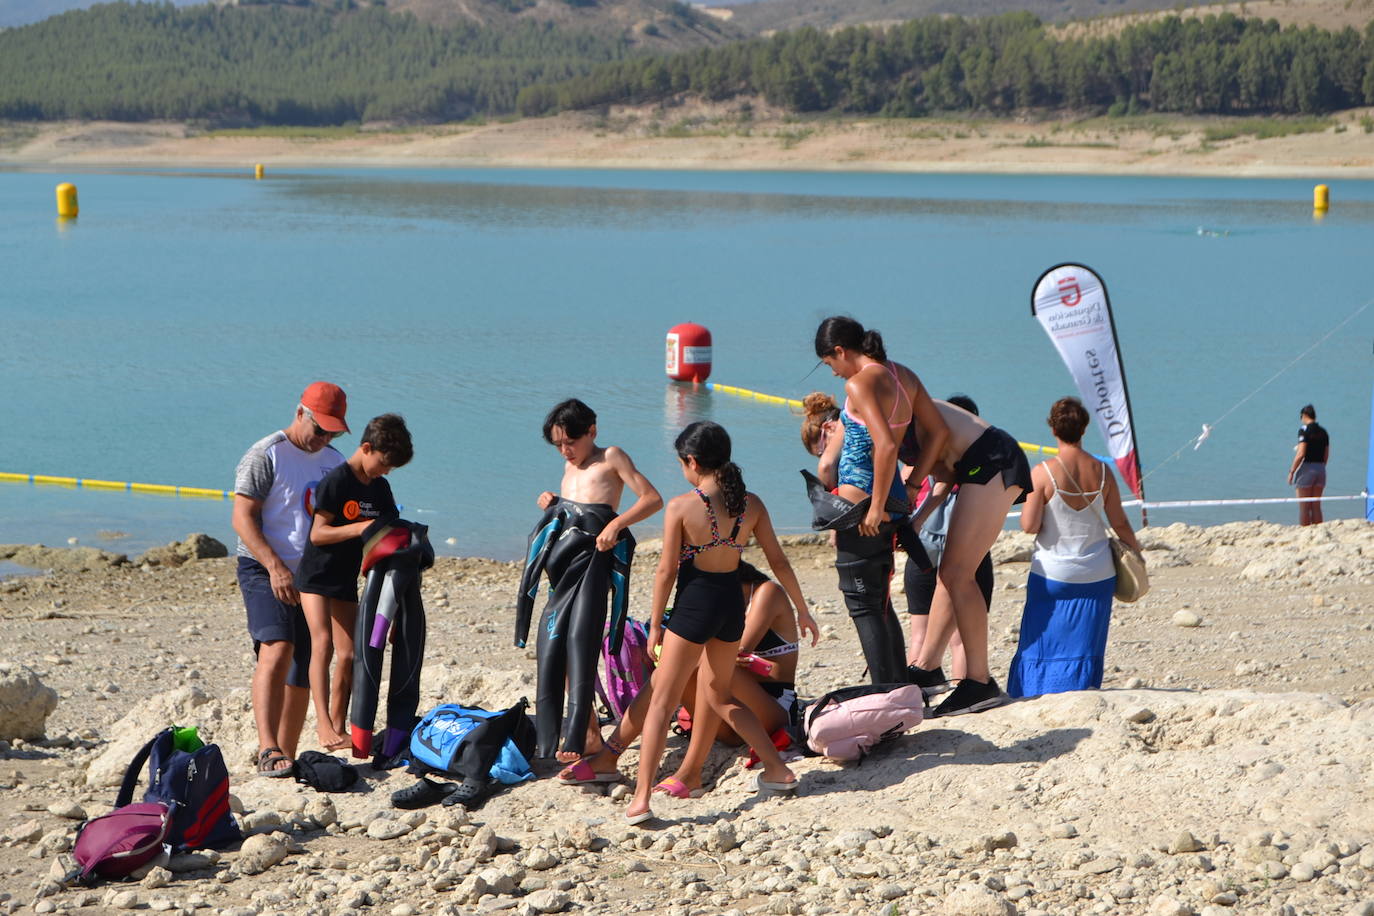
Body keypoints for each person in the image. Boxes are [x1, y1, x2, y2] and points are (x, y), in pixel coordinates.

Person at [625, 421, 814, 825]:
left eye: (682, 463)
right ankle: (777, 770)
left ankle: (641, 797)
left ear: (692, 461)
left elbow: (665, 572)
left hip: (695, 606)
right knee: (721, 697)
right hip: (731, 606)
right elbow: (778, 561)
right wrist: (803, 609)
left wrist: (656, 625)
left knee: (661, 699)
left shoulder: (681, 506)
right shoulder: (752, 503)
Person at [560, 560, 817, 798]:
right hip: (730, 716)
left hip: (775, 707)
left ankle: (686, 770)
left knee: (693, 660)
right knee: (674, 668)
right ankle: (610, 755)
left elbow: (737, 649)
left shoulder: (766, 593)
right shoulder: (723, 601)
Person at [516, 398, 662, 762]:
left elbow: (652, 499)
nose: (566, 451)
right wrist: (550, 500)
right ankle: (585, 731)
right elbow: (573, 505)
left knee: (582, 642)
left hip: (594, 563)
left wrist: (616, 524)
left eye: (571, 442)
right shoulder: (569, 467)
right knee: (553, 644)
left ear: (592, 431)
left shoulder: (611, 456)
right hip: (562, 569)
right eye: (559, 445)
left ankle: (587, 732)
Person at [809, 317, 949, 686]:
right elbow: (939, 433)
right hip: (896, 503)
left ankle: (886, 695)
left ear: (840, 351)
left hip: (861, 502)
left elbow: (884, 445)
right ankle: (899, 688)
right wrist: (915, 482)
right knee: (881, 601)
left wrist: (874, 506)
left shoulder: (859, 383)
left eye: (830, 364)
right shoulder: (903, 376)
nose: (836, 374)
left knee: (863, 605)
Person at [232, 382, 349, 777]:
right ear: (301, 413)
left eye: (332, 432)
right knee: (277, 648)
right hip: (264, 566)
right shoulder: (266, 454)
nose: (323, 439)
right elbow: (243, 518)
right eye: (320, 429)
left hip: (313, 576)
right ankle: (268, 747)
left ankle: (287, 754)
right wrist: (274, 566)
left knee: (307, 660)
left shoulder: (333, 461)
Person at [901, 395, 1032, 716]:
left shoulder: (889, 405)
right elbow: (945, 476)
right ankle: (928, 668)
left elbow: (940, 444)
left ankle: (979, 681)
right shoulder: (889, 407)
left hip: (994, 459)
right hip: (977, 463)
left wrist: (912, 486)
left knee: (958, 574)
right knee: (950, 573)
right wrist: (917, 519)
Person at [1006, 397, 1142, 697]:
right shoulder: (1103, 471)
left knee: (1040, 638)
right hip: (1097, 572)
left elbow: (1028, 525)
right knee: (1085, 641)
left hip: (1053, 572)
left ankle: (1034, 691)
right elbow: (1120, 523)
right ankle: (1080, 690)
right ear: (1084, 428)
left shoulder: (1042, 472)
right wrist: (1138, 555)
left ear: (1053, 429)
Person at [294, 414, 413, 751]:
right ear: (365, 448)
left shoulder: (380, 488)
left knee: (348, 653)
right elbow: (318, 534)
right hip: (315, 575)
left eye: (391, 468)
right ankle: (323, 725)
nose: (386, 471)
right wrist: (360, 528)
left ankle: (339, 725)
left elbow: (390, 533)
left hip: (346, 577)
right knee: (323, 644)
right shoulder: (336, 481)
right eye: (383, 464)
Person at [901, 394, 993, 691]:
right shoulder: (977, 473)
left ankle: (916, 697)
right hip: (968, 552)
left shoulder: (920, 465)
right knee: (961, 638)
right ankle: (966, 694)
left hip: (923, 551)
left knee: (919, 634)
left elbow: (904, 499)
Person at [1289, 404, 1329, 526]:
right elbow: (1326, 454)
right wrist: (1321, 467)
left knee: (1304, 506)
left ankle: (1305, 531)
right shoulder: (1323, 432)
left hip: (1308, 468)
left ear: (1304, 416)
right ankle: (1319, 530)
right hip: (1321, 468)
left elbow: (1301, 454)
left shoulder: (1304, 430)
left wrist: (1292, 471)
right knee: (1316, 505)